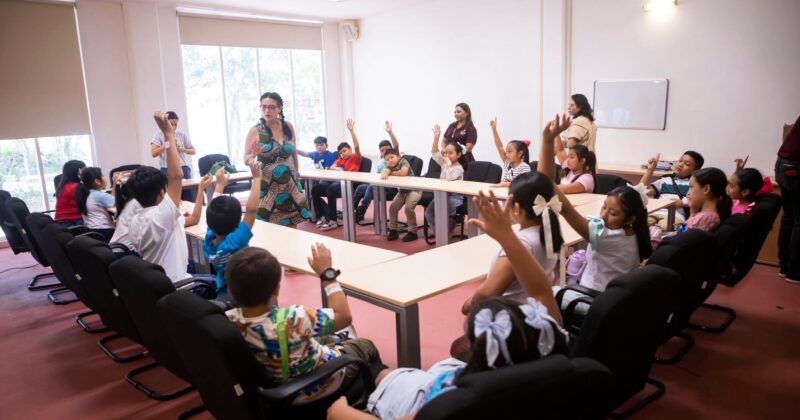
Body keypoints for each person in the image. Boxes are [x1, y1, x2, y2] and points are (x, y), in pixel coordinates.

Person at [326, 190, 568, 420]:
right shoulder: (549, 361)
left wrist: (338, 411)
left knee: (381, 373)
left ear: (474, 354)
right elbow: (540, 291)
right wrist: (507, 236)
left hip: (416, 397)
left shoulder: (454, 398)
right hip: (433, 383)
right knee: (387, 374)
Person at [225, 244, 384, 404]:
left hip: (276, 385)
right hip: (319, 384)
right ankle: (374, 398)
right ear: (276, 289)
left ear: (231, 289)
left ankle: (339, 342)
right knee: (365, 345)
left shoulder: (228, 319)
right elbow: (344, 316)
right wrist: (327, 275)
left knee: (324, 338)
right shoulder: (293, 319)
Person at [452, 170, 564, 357]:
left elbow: (487, 293)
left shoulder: (520, 245)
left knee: (460, 346)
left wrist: (468, 304)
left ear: (517, 208)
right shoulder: (550, 231)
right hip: (534, 316)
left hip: (514, 323)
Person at [540, 114, 651, 294]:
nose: (604, 215)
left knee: (541, 294)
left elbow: (549, 188)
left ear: (630, 217)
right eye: (604, 206)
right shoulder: (636, 230)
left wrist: (547, 141)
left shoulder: (604, 234)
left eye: (613, 213)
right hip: (613, 301)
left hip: (590, 300)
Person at [128, 111, 216, 296]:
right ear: (162, 192)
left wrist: (200, 190)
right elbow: (176, 176)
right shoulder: (162, 217)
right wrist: (168, 134)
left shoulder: (136, 220)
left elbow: (192, 219)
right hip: (180, 288)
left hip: (157, 287)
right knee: (224, 284)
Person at [244, 92, 311, 227]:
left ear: (279, 108)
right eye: (263, 107)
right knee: (269, 227)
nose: (267, 110)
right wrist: (253, 155)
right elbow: (246, 158)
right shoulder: (256, 131)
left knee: (293, 224)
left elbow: (294, 154)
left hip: (291, 185)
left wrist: (297, 175)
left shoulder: (288, 127)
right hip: (268, 187)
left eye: (271, 107)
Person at [203, 161, 261, 298]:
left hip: (222, 294)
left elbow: (213, 212)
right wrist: (257, 178)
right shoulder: (236, 242)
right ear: (237, 224)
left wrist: (219, 185)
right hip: (244, 296)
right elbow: (251, 211)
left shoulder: (209, 242)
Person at [312, 119, 363, 231]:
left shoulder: (355, 157)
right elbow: (332, 167)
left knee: (330, 189)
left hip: (348, 183)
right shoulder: (341, 159)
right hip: (338, 181)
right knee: (315, 189)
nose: (342, 154)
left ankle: (332, 220)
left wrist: (351, 131)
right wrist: (338, 168)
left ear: (350, 150)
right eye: (340, 152)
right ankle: (322, 216)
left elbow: (357, 146)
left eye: (344, 151)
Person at [641, 150, 705, 230]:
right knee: (640, 226)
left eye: (687, 164)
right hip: (655, 212)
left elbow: (698, 201)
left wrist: (682, 202)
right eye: (680, 160)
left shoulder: (693, 184)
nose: (681, 164)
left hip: (675, 215)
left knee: (663, 229)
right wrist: (650, 170)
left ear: (695, 171)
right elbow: (642, 190)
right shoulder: (665, 179)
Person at [424, 125, 468, 237]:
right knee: (428, 213)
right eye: (446, 153)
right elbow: (434, 153)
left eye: (450, 153)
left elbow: (450, 177)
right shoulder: (444, 163)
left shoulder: (459, 168)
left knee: (439, 212)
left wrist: (448, 164)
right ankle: (442, 234)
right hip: (442, 196)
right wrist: (436, 138)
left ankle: (445, 232)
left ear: (458, 155)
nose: (447, 155)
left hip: (455, 198)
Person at [353, 121, 400, 222]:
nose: (385, 152)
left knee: (371, 187)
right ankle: (352, 210)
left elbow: (396, 145)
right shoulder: (380, 164)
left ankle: (362, 210)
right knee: (361, 187)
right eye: (382, 150)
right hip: (379, 186)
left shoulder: (395, 158)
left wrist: (390, 132)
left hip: (391, 188)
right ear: (380, 152)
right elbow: (377, 177)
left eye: (387, 149)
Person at [149, 111, 195, 201]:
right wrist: (166, 145)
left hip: (183, 168)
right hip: (166, 169)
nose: (173, 127)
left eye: (175, 124)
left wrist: (183, 149)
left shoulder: (182, 135)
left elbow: (193, 151)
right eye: (171, 124)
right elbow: (153, 153)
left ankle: (189, 214)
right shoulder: (158, 135)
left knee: (188, 197)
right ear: (166, 123)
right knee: (172, 199)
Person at [775, 116, 800, 283]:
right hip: (796, 166)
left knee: (789, 217)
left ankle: (785, 267)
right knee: (799, 220)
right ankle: (795, 272)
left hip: (783, 164)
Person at [384, 149, 422, 242]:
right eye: (387, 159)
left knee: (408, 208)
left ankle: (412, 232)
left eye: (392, 157)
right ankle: (393, 230)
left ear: (398, 156)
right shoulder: (390, 165)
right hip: (402, 191)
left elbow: (403, 173)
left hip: (414, 190)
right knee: (393, 207)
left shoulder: (404, 161)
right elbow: (385, 171)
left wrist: (391, 174)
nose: (390, 160)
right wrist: (385, 173)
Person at [680, 167, 731, 233]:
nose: (687, 193)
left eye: (691, 187)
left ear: (706, 189)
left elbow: (686, 240)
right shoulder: (704, 215)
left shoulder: (706, 218)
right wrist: (693, 209)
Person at [487, 118, 531, 188]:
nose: (507, 154)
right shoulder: (507, 162)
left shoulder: (524, 167)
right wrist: (494, 130)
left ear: (519, 154)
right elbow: (500, 146)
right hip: (502, 194)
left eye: (510, 152)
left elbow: (522, 183)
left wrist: (504, 184)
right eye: (506, 151)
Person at [75, 167, 115, 242]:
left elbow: (110, 199)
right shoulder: (98, 195)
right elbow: (117, 202)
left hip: (92, 230)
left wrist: (115, 185)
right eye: (103, 176)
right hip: (104, 231)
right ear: (97, 181)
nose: (104, 177)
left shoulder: (87, 193)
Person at [54, 160, 86, 227]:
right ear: (79, 172)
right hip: (74, 223)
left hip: (61, 224)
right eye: (85, 170)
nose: (86, 172)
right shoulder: (77, 187)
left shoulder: (62, 186)